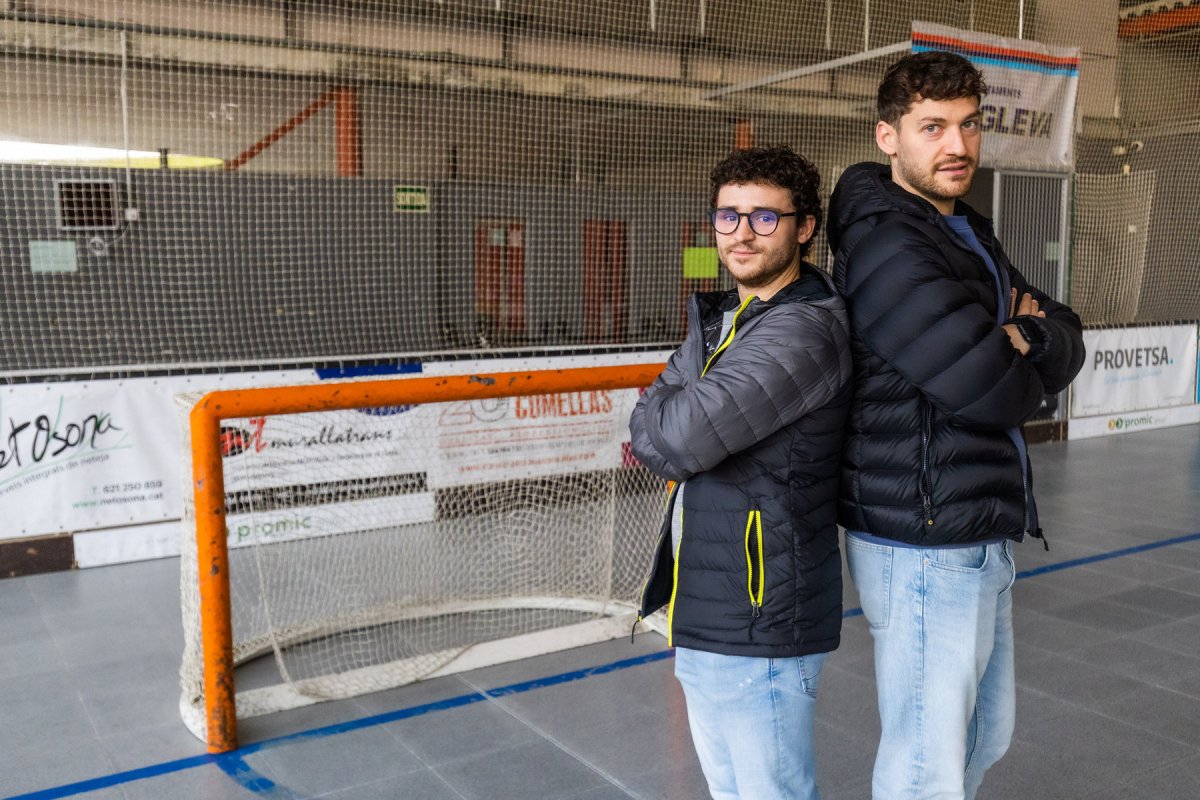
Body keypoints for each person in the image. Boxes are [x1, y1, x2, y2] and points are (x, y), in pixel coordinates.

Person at [826, 51, 1086, 800]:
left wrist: (1022, 335)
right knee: (925, 759)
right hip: (923, 533)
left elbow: (1066, 329)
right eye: (933, 126)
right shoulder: (887, 239)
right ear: (888, 137)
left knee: (985, 732)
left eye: (969, 125)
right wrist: (1009, 340)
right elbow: (989, 388)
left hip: (975, 524)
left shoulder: (960, 227)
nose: (958, 145)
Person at [630, 145, 852, 800]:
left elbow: (674, 437)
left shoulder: (804, 330)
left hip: (762, 617)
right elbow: (647, 424)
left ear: (804, 227)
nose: (741, 234)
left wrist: (671, 412)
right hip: (705, 609)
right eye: (728, 217)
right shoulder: (725, 317)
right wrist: (668, 415)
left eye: (763, 217)